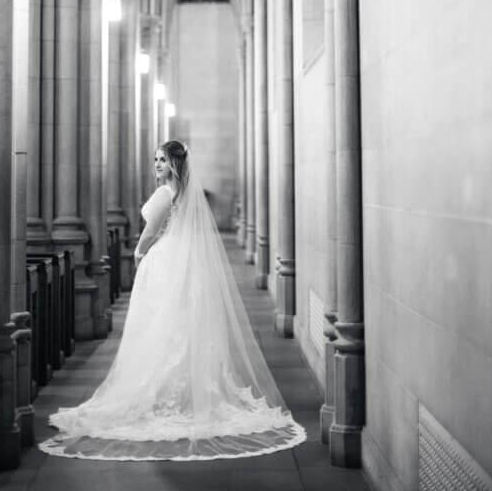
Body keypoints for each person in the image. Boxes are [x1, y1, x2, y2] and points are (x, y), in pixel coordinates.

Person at [39, 140, 306, 461]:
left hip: (163, 258)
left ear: (174, 165)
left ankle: (165, 389)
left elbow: (151, 230)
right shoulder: (178, 192)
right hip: (176, 257)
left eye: (162, 160)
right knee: (173, 322)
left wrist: (138, 252)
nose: (156, 165)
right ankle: (178, 387)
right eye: (155, 159)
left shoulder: (167, 193)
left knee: (162, 322)